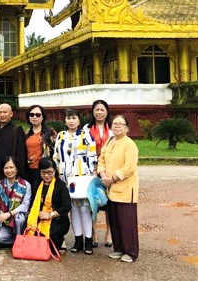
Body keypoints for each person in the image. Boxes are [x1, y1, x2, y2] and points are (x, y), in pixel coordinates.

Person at [54, 107, 97, 254]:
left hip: (82, 178)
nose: (71, 121)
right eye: (68, 118)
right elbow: (56, 157)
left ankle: (89, 241)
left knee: (84, 208)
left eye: (74, 118)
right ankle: (78, 240)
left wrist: (93, 175)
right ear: (64, 121)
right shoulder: (61, 136)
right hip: (66, 178)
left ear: (79, 120)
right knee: (73, 209)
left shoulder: (86, 135)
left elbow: (92, 156)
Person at [98, 114, 139, 263]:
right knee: (115, 221)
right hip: (110, 189)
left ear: (127, 128)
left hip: (125, 189)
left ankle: (131, 251)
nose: (117, 126)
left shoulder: (129, 144)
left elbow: (129, 167)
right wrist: (102, 173)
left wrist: (112, 178)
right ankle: (119, 248)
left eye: (120, 124)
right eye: (114, 123)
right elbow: (101, 159)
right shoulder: (110, 141)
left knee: (127, 222)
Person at [82, 99, 113, 248]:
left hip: (109, 170)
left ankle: (109, 233)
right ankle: (93, 232)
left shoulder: (112, 129)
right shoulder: (86, 129)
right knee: (92, 201)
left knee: (109, 202)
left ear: (107, 112)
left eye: (102, 110)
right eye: (97, 110)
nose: (99, 112)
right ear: (92, 112)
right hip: (91, 170)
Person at [27, 157, 71, 253]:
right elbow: (32, 203)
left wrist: (50, 215)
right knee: (31, 235)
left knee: (50, 248)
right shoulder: (37, 184)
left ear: (55, 171)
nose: (46, 175)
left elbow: (67, 206)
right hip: (39, 217)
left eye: (50, 172)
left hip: (56, 219)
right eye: (43, 172)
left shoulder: (61, 186)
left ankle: (61, 240)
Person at [0, 156, 32, 246]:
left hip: (18, 217)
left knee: (20, 219)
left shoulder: (26, 185)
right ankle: (17, 241)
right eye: (6, 168)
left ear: (17, 168)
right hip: (4, 219)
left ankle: (19, 238)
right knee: (0, 238)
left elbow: (25, 205)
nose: (9, 170)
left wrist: (10, 213)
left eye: (11, 167)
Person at [0, 103, 27, 182]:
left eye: (5, 112)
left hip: (10, 171)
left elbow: (21, 153)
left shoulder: (17, 130)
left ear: (11, 114)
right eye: (0, 112)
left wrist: (19, 172)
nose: (2, 115)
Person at [25, 104, 56, 188]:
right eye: (32, 115)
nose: (35, 117)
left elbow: (55, 151)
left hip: (45, 170)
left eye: (38, 115)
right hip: (29, 170)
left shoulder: (49, 132)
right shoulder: (26, 133)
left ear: (43, 117)